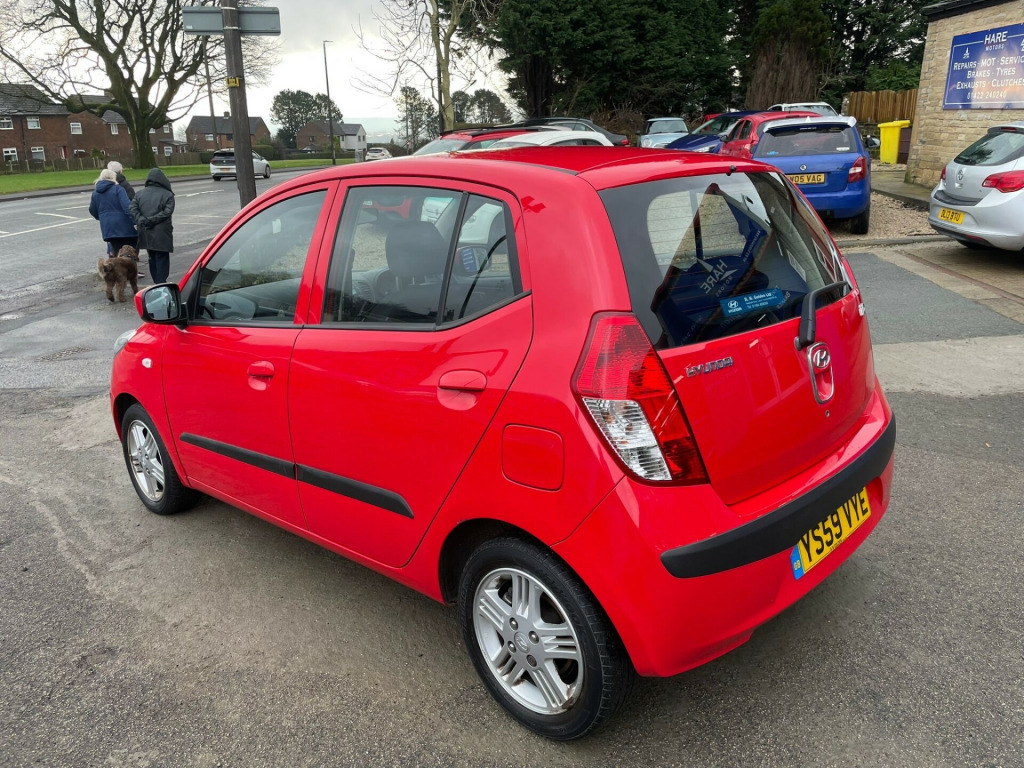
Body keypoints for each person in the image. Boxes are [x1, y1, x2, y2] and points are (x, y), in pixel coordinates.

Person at [130, 168, 175, 284]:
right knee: (162, 257)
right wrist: (151, 220)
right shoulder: (168, 194)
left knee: (152, 256)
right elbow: (167, 212)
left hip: (145, 231)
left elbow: (133, 209)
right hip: (161, 232)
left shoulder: (139, 194)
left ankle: (156, 281)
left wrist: (142, 220)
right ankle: (161, 283)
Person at [89, 168, 138, 258]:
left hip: (108, 228)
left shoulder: (95, 193)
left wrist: (102, 218)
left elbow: (92, 210)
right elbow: (127, 207)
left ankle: (117, 266)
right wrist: (135, 221)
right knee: (129, 253)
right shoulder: (118, 189)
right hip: (125, 227)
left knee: (116, 254)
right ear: (113, 178)